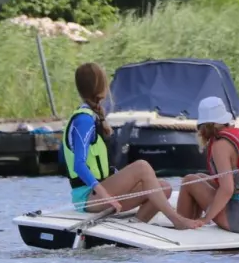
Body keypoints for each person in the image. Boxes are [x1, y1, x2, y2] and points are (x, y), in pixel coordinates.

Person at [64, 63, 199, 228]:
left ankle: (134, 226)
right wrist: (105, 194)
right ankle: (177, 220)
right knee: (142, 167)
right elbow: (79, 165)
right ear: (102, 86)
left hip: (102, 191)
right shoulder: (83, 120)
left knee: (163, 188)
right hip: (87, 197)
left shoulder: (93, 116)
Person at [176, 96, 239, 234]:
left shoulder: (220, 145)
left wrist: (206, 218)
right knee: (200, 177)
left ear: (204, 126)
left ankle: (182, 226)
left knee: (189, 181)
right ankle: (191, 220)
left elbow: (227, 189)